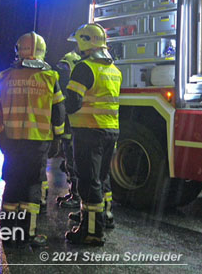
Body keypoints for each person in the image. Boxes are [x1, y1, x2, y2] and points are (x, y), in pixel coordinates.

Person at [0, 32, 66, 247]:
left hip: (12, 141)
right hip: (38, 142)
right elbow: (59, 110)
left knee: (13, 184)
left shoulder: (5, 76)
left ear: (18, 50)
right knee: (32, 187)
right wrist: (58, 137)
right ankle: (28, 234)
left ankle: (8, 234)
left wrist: (1, 134)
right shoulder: (50, 77)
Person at [64, 23, 121, 246]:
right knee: (99, 180)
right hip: (110, 131)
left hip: (89, 132)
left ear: (85, 42)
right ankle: (98, 222)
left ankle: (90, 232)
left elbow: (73, 103)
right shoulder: (114, 69)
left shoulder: (83, 68)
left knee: (88, 182)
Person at [54, 51, 82, 209]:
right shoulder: (68, 84)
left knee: (73, 165)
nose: (63, 70)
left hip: (73, 133)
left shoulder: (75, 86)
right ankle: (73, 193)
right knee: (69, 164)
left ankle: (77, 197)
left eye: (66, 66)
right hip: (68, 133)